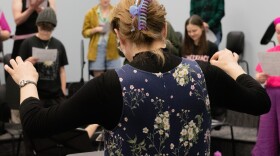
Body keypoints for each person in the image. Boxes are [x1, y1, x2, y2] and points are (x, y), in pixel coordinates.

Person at [5, 0, 270, 155]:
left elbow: (35, 123)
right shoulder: (203, 74)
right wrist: (233, 67)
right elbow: (260, 102)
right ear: (164, 30)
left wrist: (28, 80)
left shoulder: (109, 86)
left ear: (119, 38)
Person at [7, 0, 56, 124]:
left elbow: (53, 17)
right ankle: (18, 119)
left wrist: (42, 12)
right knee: (18, 74)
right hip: (22, 42)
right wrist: (32, 8)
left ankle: (40, 116)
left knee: (42, 74)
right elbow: (17, 20)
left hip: (41, 41)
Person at [18, 7, 68, 108]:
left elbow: (62, 70)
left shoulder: (59, 45)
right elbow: (19, 69)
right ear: (37, 25)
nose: (45, 32)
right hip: (35, 95)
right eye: (43, 28)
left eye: (48, 30)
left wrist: (63, 90)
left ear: (53, 28)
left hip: (56, 96)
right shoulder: (27, 43)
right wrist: (28, 62)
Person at [252, 16, 280, 156]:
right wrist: (259, 78)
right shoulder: (270, 53)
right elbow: (258, 76)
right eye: (279, 32)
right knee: (267, 135)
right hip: (270, 97)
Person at [82, 0, 121, 78]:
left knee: (113, 77)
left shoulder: (116, 12)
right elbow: (84, 32)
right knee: (98, 78)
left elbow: (121, 28)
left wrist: (112, 28)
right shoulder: (91, 12)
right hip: (96, 50)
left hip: (112, 49)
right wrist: (96, 29)